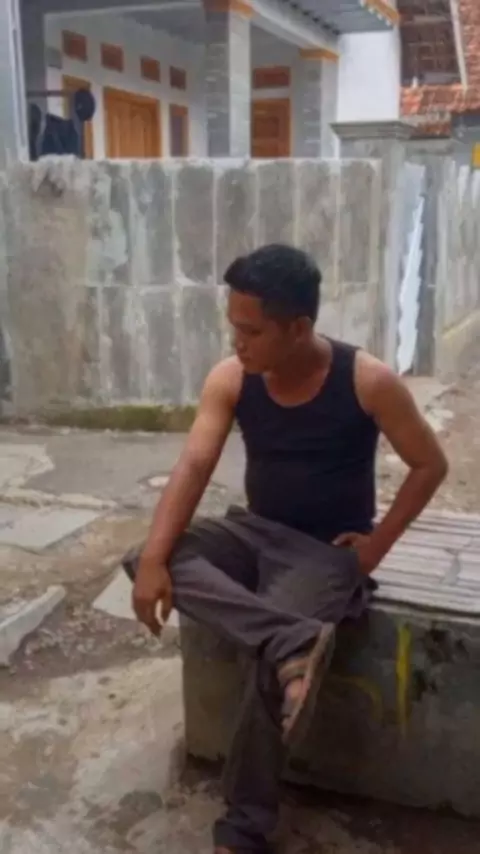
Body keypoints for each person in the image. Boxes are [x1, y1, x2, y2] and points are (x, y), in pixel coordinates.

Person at [129, 244, 448, 853]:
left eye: (251, 331)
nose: (237, 343)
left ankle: (243, 827)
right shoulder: (232, 378)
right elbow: (194, 465)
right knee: (152, 555)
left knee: (266, 671)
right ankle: (290, 640)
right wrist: (150, 561)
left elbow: (430, 464)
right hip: (253, 533)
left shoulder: (367, 381)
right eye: (233, 327)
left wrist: (372, 551)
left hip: (322, 554)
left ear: (298, 328)